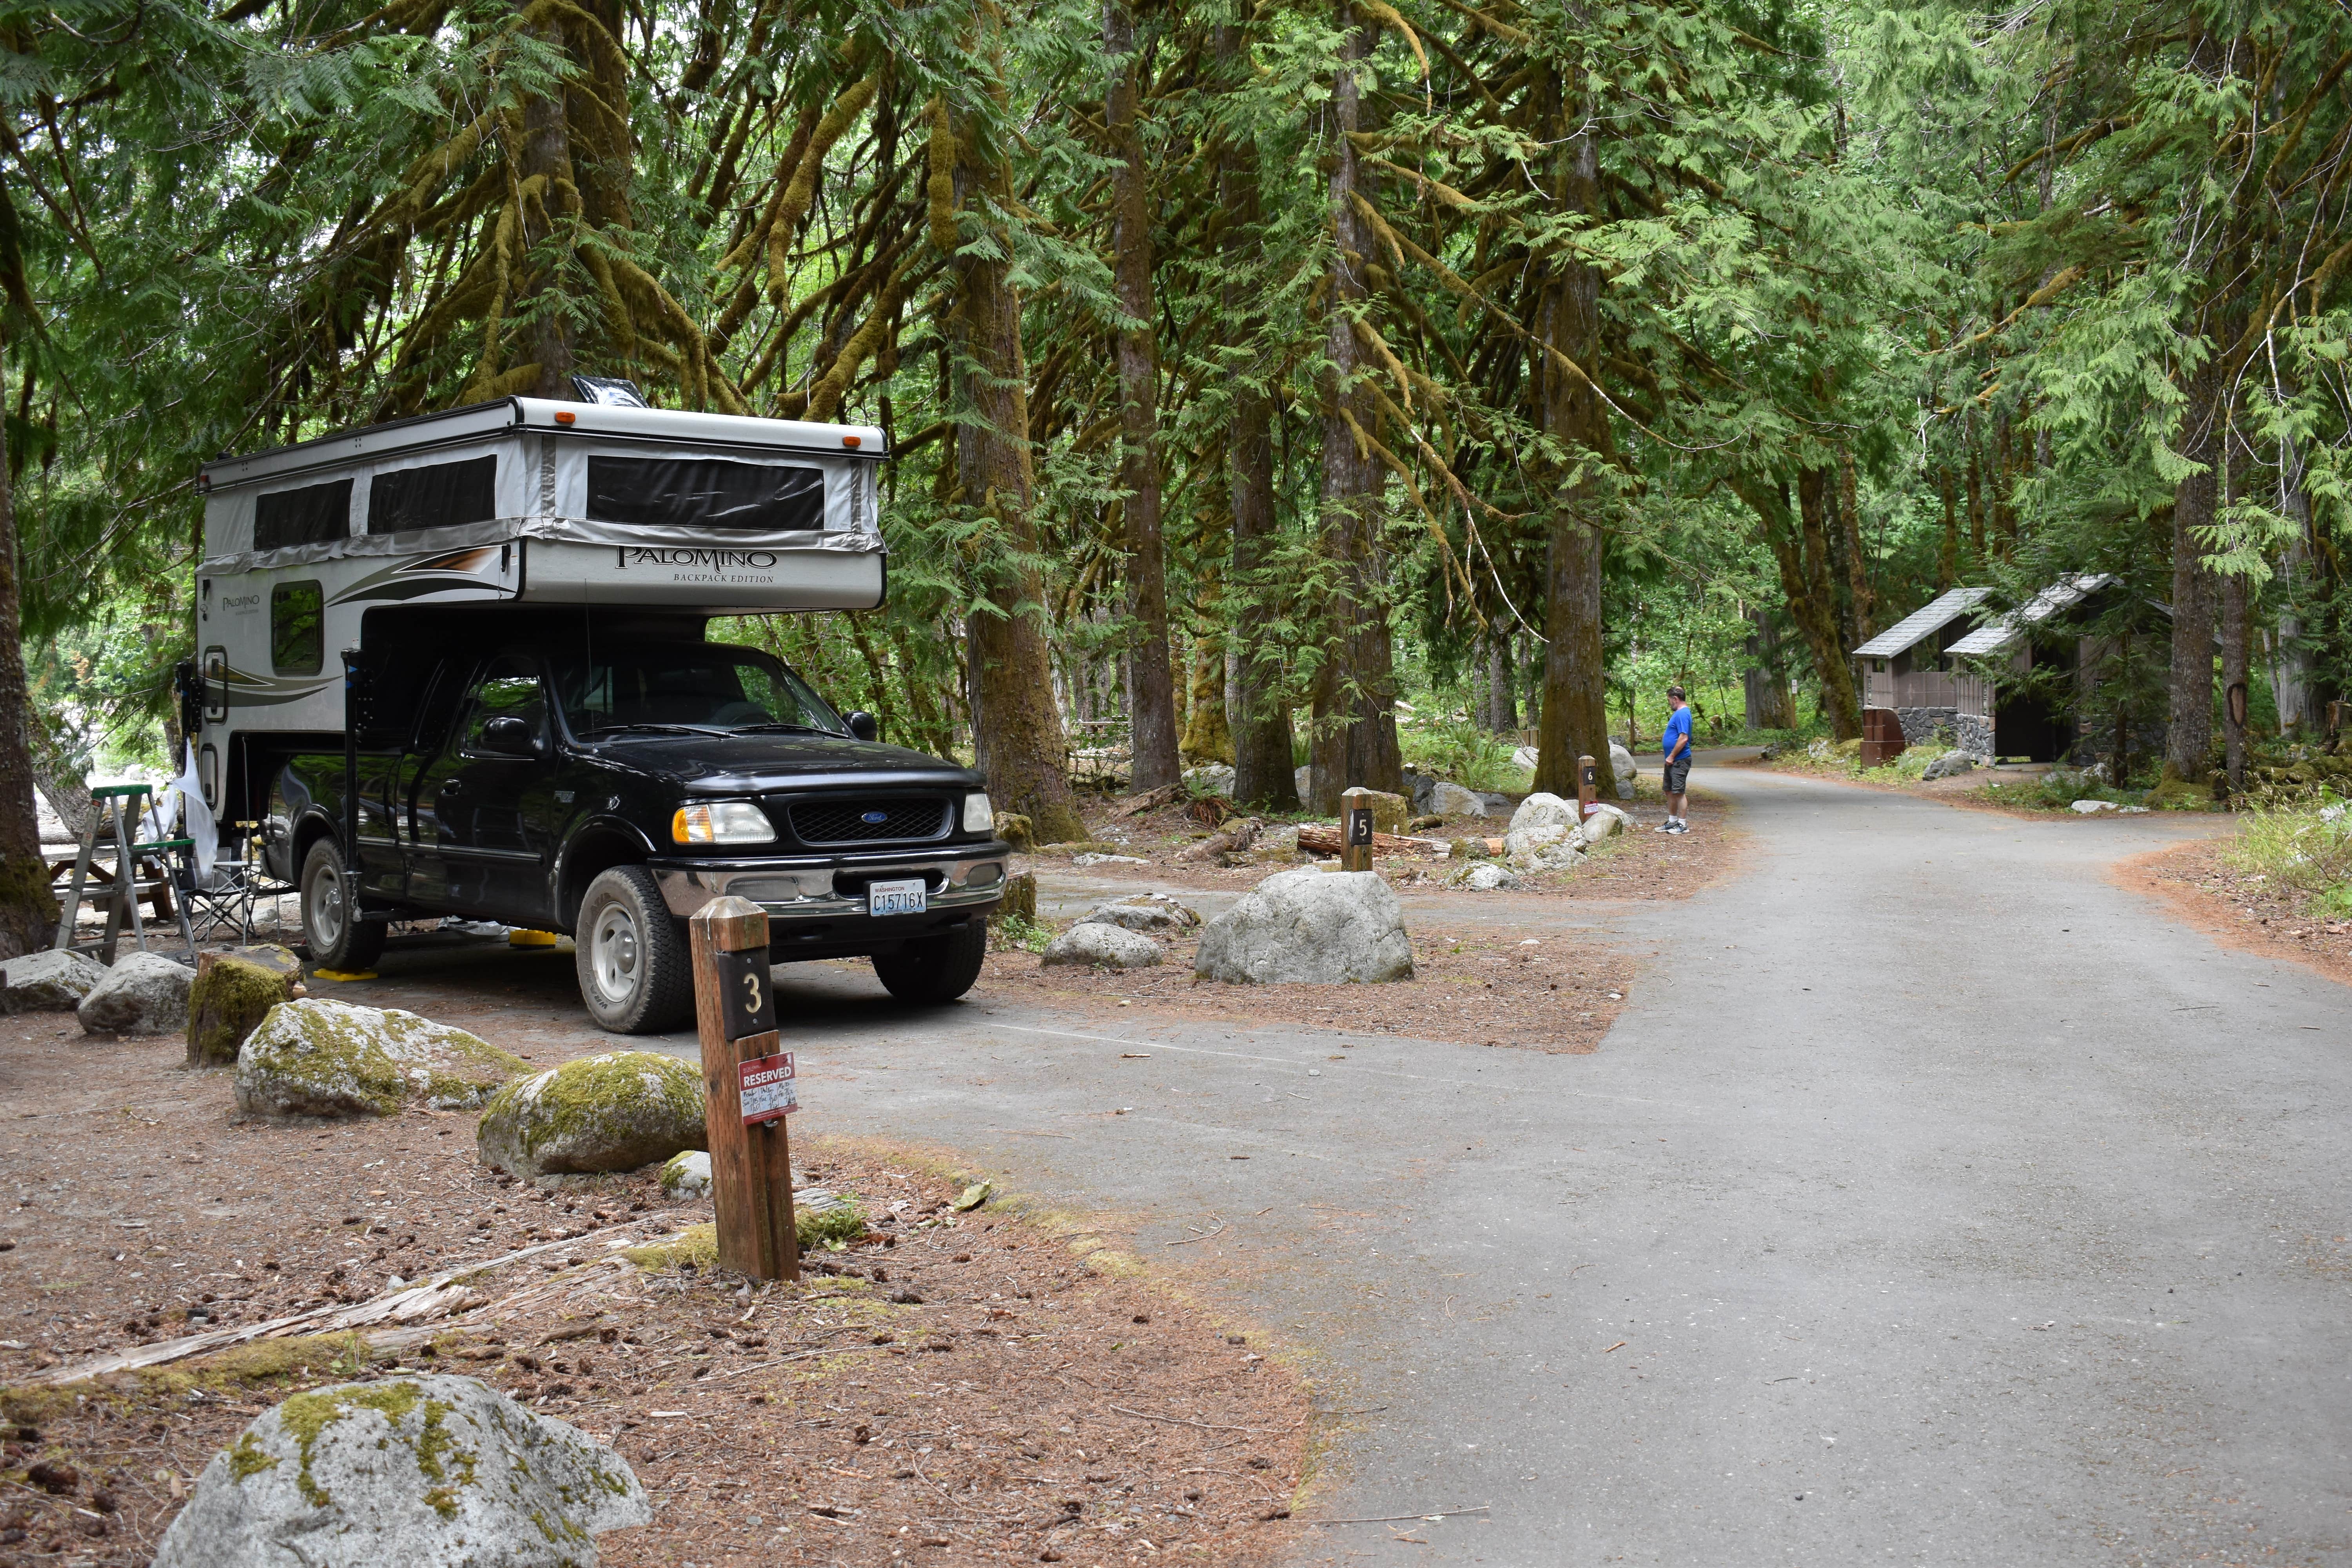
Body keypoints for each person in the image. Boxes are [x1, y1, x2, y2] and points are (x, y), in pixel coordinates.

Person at [1657, 685, 1693, 834]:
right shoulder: (1679, 714)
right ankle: (1672, 821)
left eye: (1669, 700)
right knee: (1670, 791)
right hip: (1671, 760)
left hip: (1679, 759)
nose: (1669, 703)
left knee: (1678, 792)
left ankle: (1683, 824)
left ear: (1675, 699)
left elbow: (1684, 738)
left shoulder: (1683, 714)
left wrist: (1672, 756)